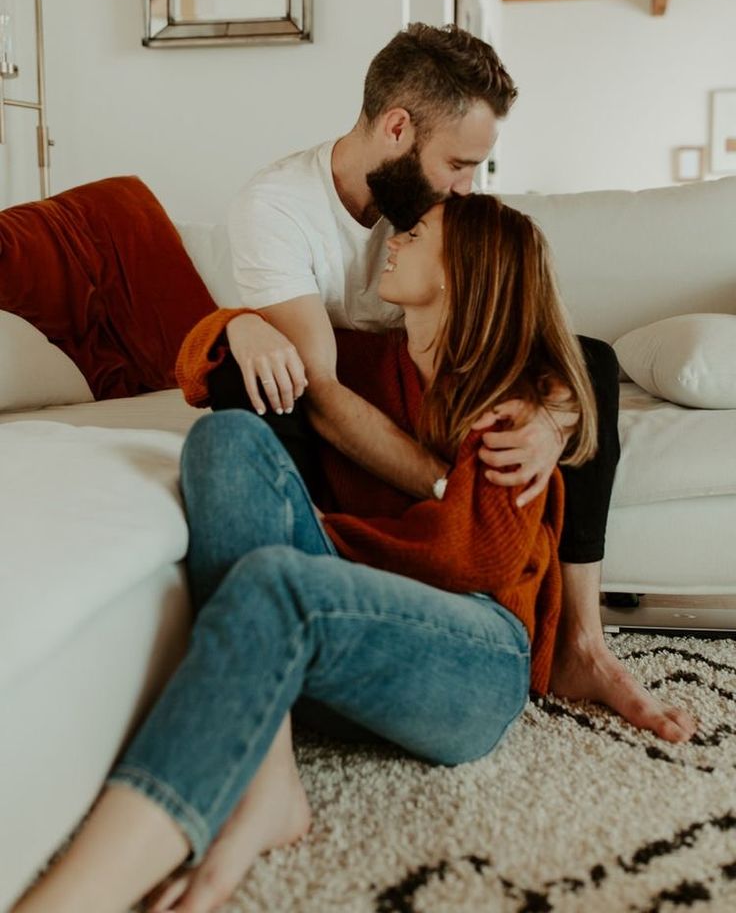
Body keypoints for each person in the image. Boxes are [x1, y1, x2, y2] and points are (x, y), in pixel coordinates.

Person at [14, 194, 606, 913]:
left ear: (460, 271)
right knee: (225, 441)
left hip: (472, 662)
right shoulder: (357, 358)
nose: (394, 239)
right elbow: (199, 370)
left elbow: (468, 559)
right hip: (345, 638)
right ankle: (270, 779)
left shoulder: (516, 400)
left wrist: (321, 541)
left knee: (278, 584)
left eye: (416, 234)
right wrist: (244, 325)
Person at [192, 22, 695, 742]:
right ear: (397, 128)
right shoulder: (276, 210)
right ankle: (307, 606)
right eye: (458, 163)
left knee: (590, 363)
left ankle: (582, 644)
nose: (466, 187)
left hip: (430, 388)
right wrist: (446, 486)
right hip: (341, 402)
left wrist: (554, 420)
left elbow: (520, 325)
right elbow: (322, 393)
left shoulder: (436, 213)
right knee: (258, 391)